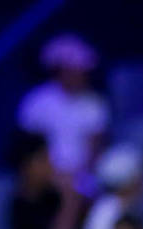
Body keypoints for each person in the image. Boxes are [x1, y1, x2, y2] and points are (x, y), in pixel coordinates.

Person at [16, 34, 109, 192]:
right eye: (75, 71)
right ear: (61, 71)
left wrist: (80, 175)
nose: (80, 76)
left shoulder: (94, 102)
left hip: (83, 177)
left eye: (83, 71)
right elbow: (29, 147)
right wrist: (50, 173)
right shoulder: (36, 101)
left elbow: (96, 148)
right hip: (44, 175)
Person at [5, 130, 79, 229]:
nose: (51, 166)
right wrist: (70, 197)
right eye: (43, 160)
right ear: (26, 167)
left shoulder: (54, 196)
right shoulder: (19, 207)